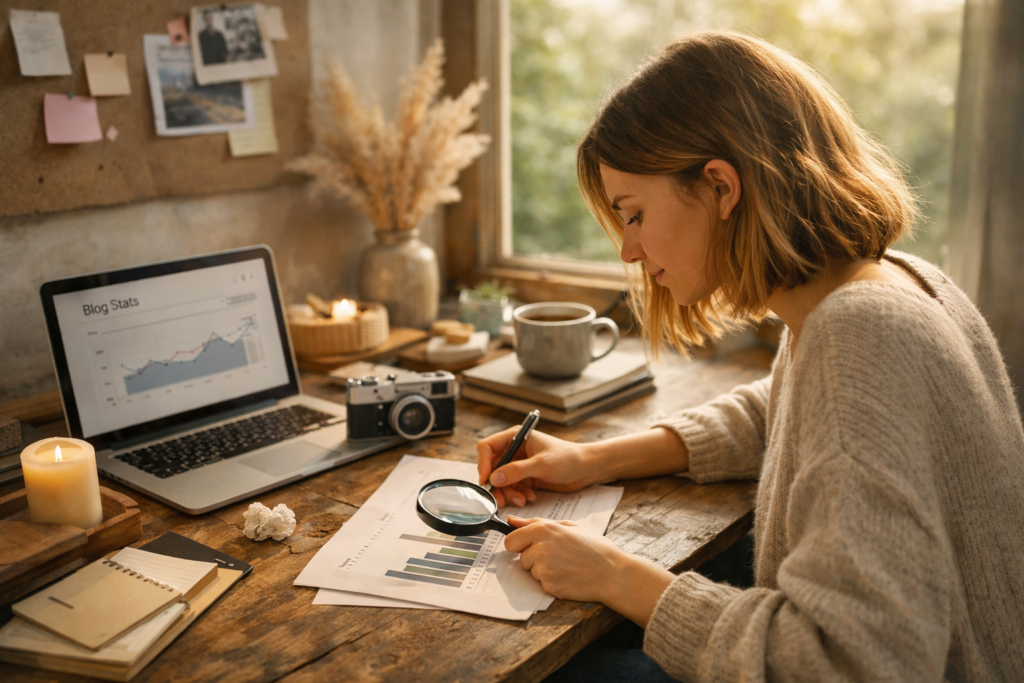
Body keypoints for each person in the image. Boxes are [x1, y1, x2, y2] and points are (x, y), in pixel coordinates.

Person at [477, 31, 1024, 682]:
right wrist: (591, 458)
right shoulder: (897, 283)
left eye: (633, 213)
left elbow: (852, 663)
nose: (627, 250)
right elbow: (785, 415)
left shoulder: (856, 338)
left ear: (720, 187)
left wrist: (616, 573)